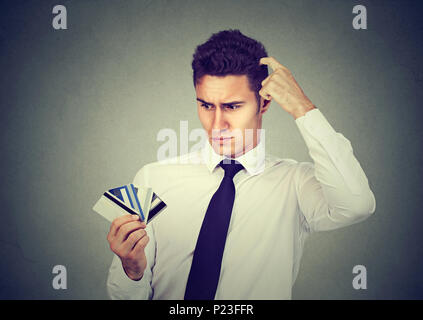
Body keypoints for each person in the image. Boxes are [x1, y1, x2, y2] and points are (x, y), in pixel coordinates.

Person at [105, 29, 376, 300]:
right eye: (206, 106)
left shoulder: (295, 183)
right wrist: (132, 271)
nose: (217, 124)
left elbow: (356, 204)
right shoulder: (151, 177)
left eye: (233, 106)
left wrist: (302, 107)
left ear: (264, 102)